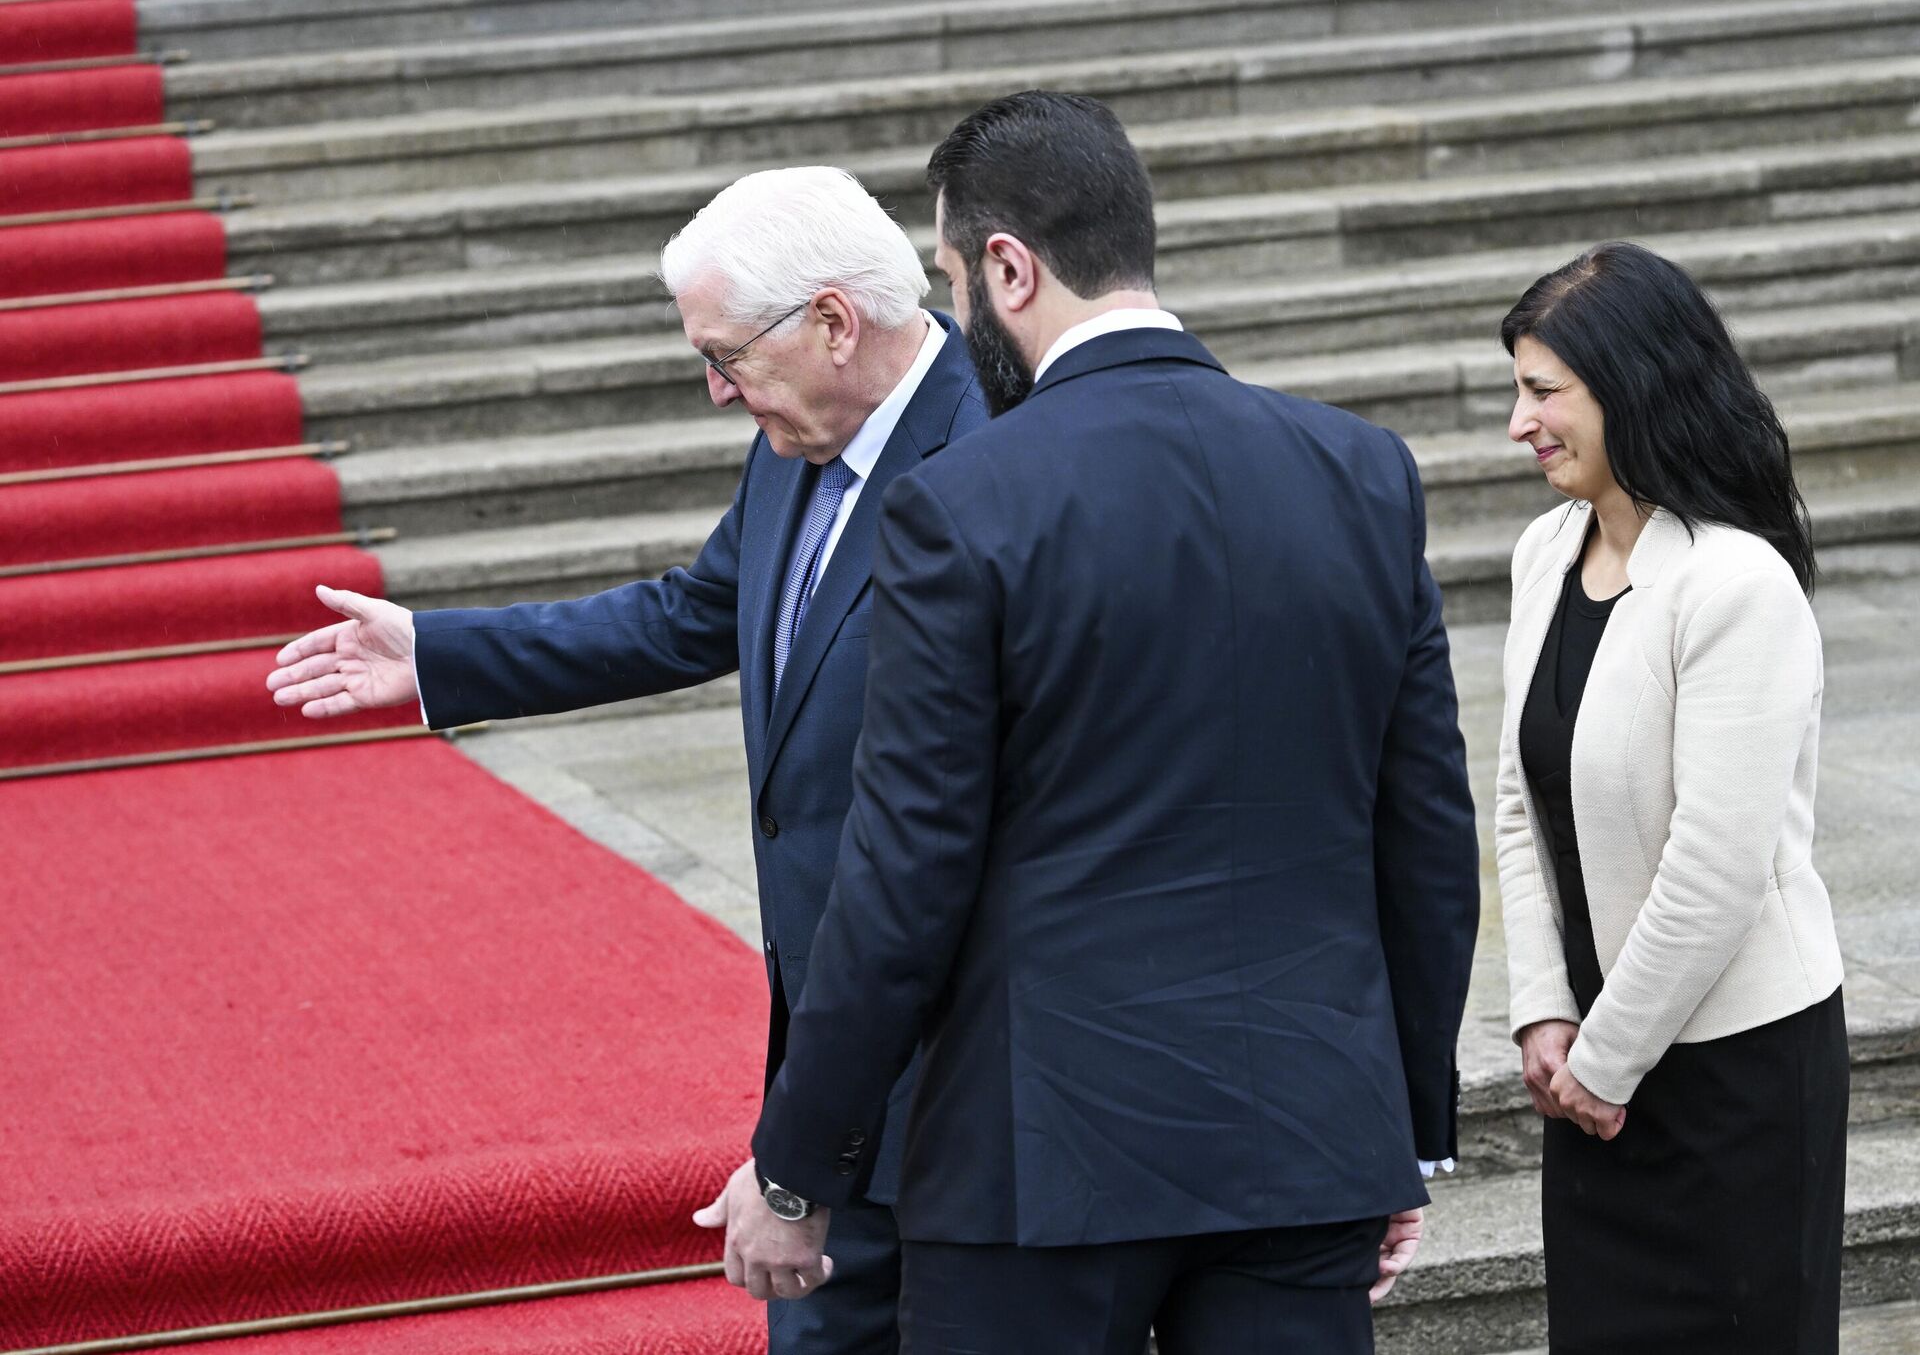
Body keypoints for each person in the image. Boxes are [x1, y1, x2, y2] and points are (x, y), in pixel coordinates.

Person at [704, 91, 1480, 1353]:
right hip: (1304, 1139)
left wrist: (795, 1169)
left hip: (1039, 1159)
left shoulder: (964, 503)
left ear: (1009, 266)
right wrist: (1397, 1126)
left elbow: (903, 878)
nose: (960, 315)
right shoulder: (1359, 469)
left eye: (955, 277)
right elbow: (1427, 837)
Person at [263, 165, 988, 1355]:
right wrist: (441, 653)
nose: (714, 390)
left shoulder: (998, 446)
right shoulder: (799, 434)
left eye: (726, 354)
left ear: (833, 322)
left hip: (960, 1082)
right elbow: (691, 614)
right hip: (835, 1062)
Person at [1496, 242, 1845, 1354]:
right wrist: (1546, 1008)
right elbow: (1518, 801)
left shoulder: (1737, 584)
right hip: (1595, 1069)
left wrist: (1603, 1061)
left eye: (1544, 391)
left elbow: (1718, 864)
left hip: (1732, 1075)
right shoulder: (1544, 553)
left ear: (1633, 388)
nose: (1519, 422)